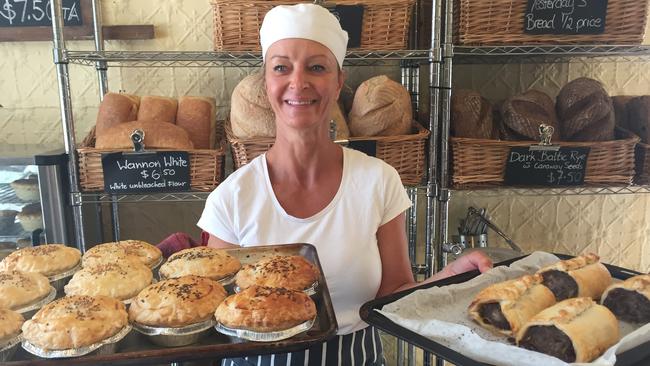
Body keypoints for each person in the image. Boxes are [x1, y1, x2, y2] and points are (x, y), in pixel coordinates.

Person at [198, 4, 492, 365]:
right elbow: (213, 308)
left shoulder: (377, 181)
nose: (298, 82)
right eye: (281, 67)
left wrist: (449, 278)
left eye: (317, 67)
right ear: (267, 81)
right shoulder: (231, 197)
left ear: (339, 81)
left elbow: (393, 293)